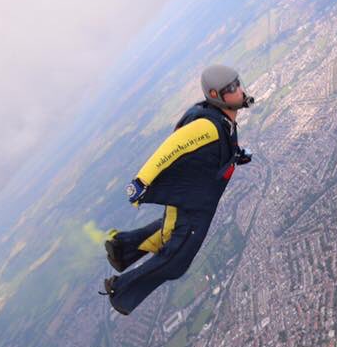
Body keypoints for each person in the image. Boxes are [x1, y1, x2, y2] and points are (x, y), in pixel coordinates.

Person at [100, 64, 255, 315]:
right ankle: (121, 292)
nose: (240, 90)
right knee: (176, 260)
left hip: (196, 202)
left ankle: (122, 249)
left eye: (238, 83)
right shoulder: (208, 125)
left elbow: (213, 151)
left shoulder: (222, 121)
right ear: (216, 96)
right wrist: (142, 181)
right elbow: (174, 146)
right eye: (231, 88)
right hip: (193, 205)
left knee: (168, 234)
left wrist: (236, 156)